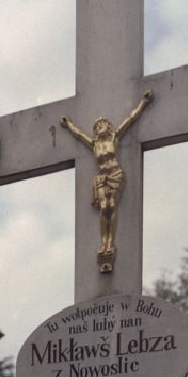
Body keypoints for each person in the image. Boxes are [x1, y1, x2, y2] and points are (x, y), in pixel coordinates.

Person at [61, 90, 153, 271]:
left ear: (109, 127)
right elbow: (79, 135)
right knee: (104, 208)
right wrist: (68, 124)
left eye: (104, 123)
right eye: (98, 125)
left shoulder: (114, 138)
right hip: (102, 178)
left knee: (112, 205)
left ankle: (111, 242)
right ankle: (105, 243)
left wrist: (144, 102)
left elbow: (131, 118)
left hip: (116, 175)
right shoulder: (94, 144)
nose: (101, 125)